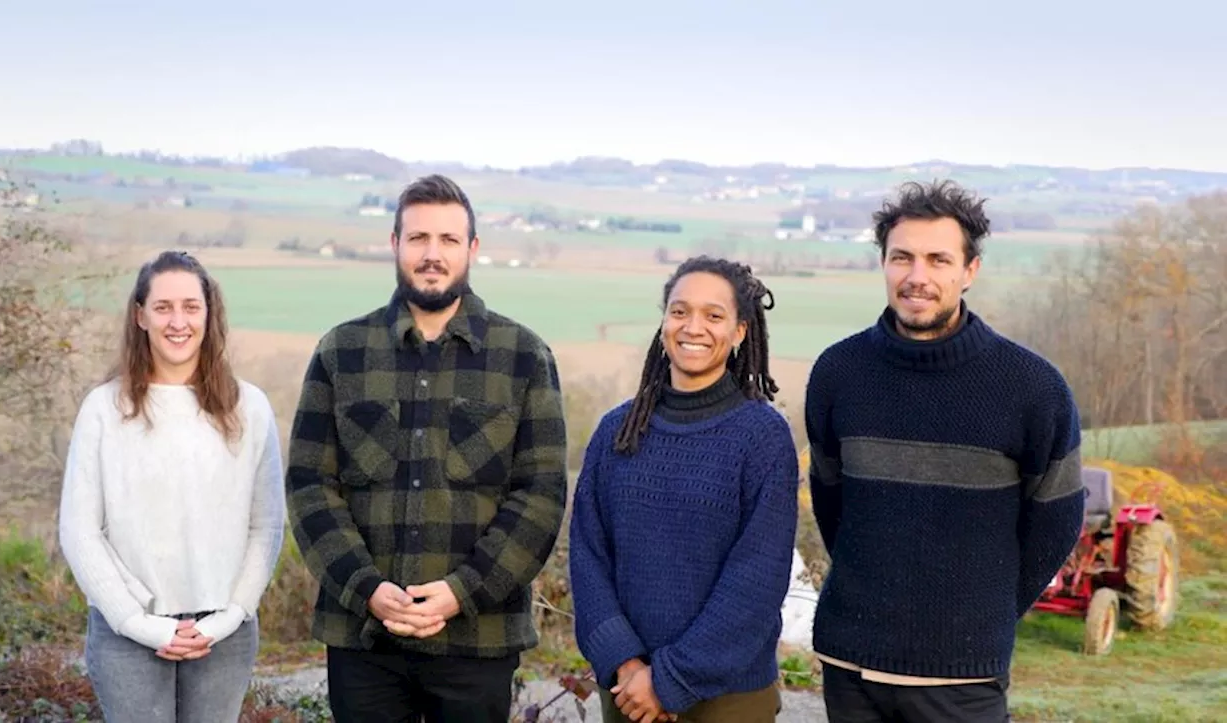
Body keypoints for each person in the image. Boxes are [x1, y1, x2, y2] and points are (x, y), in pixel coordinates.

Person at [284, 173, 569, 723]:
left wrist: (462, 591)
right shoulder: (341, 353)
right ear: (394, 244)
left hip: (477, 638)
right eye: (418, 239)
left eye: (447, 240)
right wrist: (367, 588)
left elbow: (540, 497)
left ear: (472, 249)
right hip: (364, 638)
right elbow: (310, 486)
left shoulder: (524, 357)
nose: (432, 254)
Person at [803, 180, 1085, 723]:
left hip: (962, 675)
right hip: (849, 665)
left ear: (969, 271)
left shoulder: (1032, 388)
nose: (917, 277)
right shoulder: (838, 374)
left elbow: (1054, 526)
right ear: (882, 263)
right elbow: (832, 503)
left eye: (938, 259)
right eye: (901, 257)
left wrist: (983, 616)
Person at [58, 250, 286, 723]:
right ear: (140, 315)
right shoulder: (104, 410)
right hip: (127, 633)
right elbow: (80, 531)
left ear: (209, 312)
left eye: (190, 306)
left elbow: (267, 525)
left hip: (224, 635)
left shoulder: (251, 408)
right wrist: (140, 624)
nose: (177, 321)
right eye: (163, 307)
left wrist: (229, 617)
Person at [569, 256, 800, 723]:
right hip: (627, 693)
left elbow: (756, 582)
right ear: (664, 320)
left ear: (739, 331)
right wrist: (628, 665)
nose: (693, 327)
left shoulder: (762, 437)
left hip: (727, 698)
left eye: (714, 315)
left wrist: (668, 680)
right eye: (679, 311)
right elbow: (588, 558)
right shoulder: (618, 431)